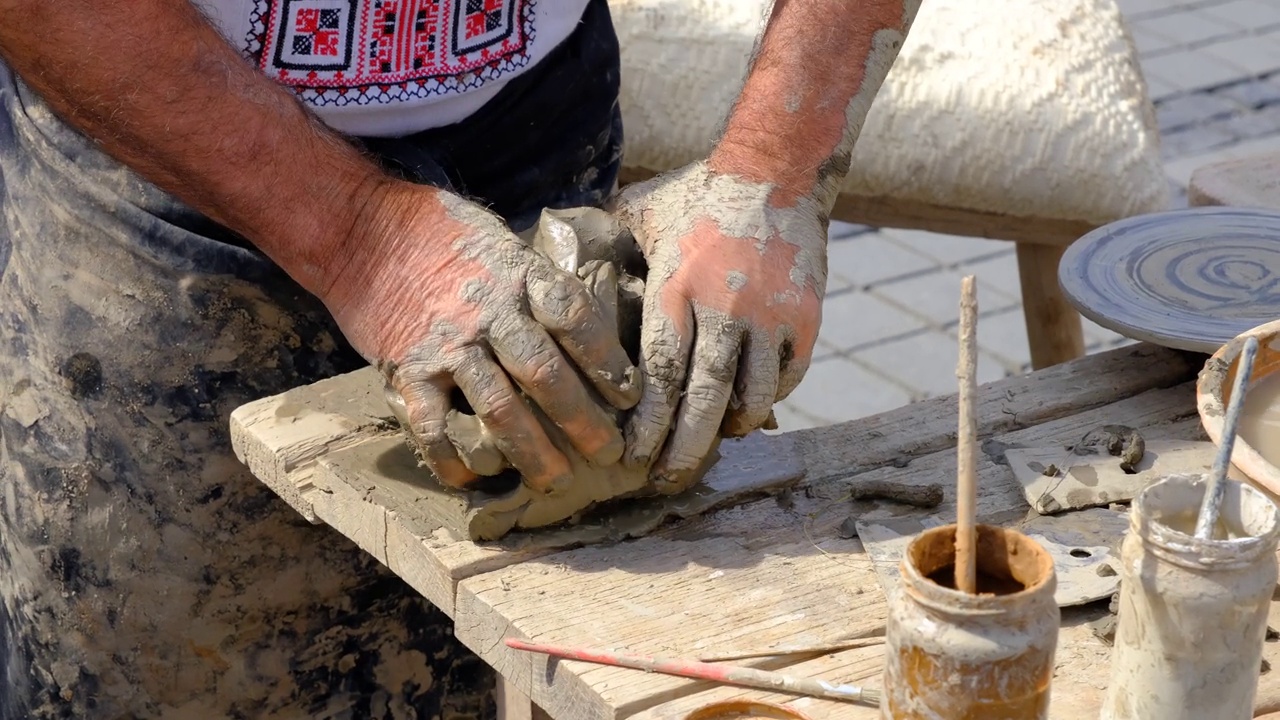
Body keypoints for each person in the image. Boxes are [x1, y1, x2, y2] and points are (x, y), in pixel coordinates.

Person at [0, 0, 918, 716]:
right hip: (174, 145)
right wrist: (362, 242)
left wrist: (777, 165)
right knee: (177, 674)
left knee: (580, 641)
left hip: (532, 115)